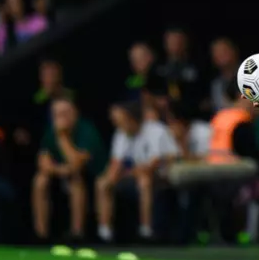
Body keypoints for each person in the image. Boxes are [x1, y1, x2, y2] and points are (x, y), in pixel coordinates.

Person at [95, 101, 180, 243]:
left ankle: (146, 230)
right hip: (134, 174)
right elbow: (116, 162)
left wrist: (126, 172)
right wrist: (109, 179)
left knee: (144, 181)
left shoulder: (156, 130)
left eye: (121, 120)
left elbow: (153, 164)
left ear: (132, 118)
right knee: (102, 183)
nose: (118, 125)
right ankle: (104, 232)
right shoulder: (121, 133)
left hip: (162, 175)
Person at [32, 97, 106, 244]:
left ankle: (77, 233)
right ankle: (41, 234)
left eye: (65, 113)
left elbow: (77, 164)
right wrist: (62, 170)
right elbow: (43, 163)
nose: (61, 118)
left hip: (89, 176)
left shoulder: (86, 130)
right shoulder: (50, 131)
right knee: (40, 181)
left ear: (75, 113)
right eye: (57, 114)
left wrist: (62, 137)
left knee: (75, 181)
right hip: (61, 172)